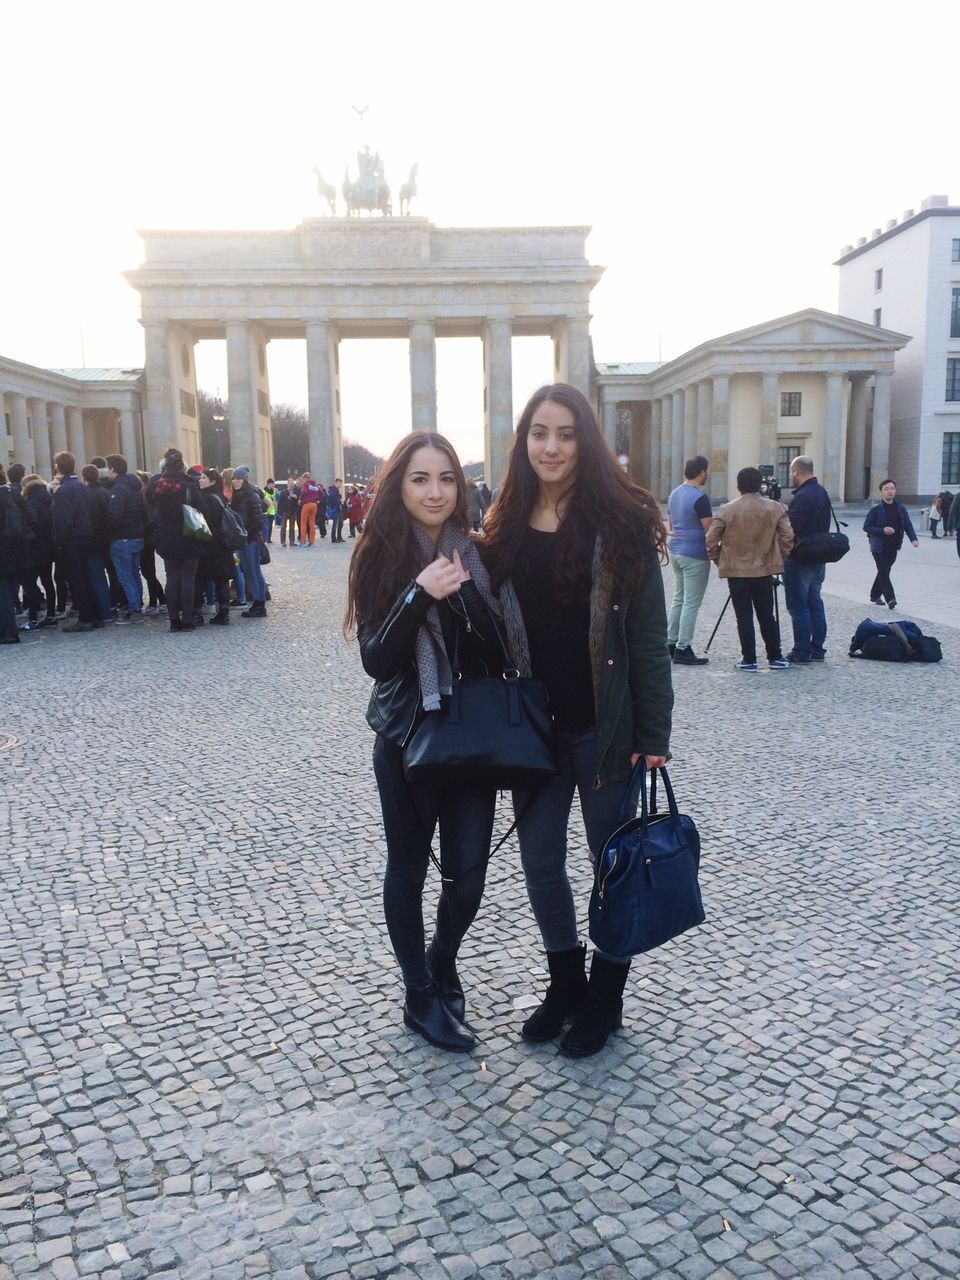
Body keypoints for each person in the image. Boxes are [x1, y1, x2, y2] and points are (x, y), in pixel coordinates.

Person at [480, 383, 673, 1059]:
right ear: (523, 441)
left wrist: (654, 738)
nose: (551, 447)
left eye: (564, 433)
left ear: (583, 441)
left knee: (610, 865)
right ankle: (565, 982)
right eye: (539, 432)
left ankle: (606, 995)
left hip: (604, 728)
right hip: (532, 732)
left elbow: (647, 638)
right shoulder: (501, 525)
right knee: (539, 865)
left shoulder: (619, 526)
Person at [345, 431, 508, 1053]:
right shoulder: (379, 554)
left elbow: (500, 652)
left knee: (468, 878)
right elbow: (377, 660)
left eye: (445, 479)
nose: (435, 491)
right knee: (409, 868)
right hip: (407, 735)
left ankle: (443, 959)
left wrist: (466, 594)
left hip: (470, 736)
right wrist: (420, 592)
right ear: (399, 485)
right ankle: (419, 995)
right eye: (420, 478)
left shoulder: (479, 552)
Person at [706, 467, 795, 671]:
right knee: (767, 614)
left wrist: (719, 559)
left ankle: (749, 659)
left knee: (743, 615)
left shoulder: (727, 510)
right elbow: (788, 536)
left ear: (738, 486)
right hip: (763, 568)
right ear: (759, 485)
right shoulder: (775, 508)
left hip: (736, 570)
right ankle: (775, 656)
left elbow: (711, 539)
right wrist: (779, 555)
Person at [146, 448, 203, 632]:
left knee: (171, 578)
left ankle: (173, 620)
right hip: (188, 536)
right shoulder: (189, 485)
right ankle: (187, 619)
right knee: (187, 578)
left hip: (166, 536)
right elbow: (201, 507)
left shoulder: (155, 484)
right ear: (181, 466)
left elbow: (150, 502)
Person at [782, 455, 831, 664]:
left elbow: (794, 528)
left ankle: (801, 650)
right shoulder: (822, 492)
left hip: (801, 556)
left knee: (798, 606)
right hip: (820, 555)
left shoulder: (802, 497)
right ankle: (817, 648)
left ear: (796, 471)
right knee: (815, 602)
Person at [666, 455, 713, 666]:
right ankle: (684, 648)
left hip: (676, 550)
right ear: (702, 472)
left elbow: (670, 525)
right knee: (691, 603)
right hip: (695, 553)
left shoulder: (674, 494)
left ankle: (671, 641)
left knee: (679, 598)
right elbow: (709, 530)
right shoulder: (699, 498)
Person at [51, 451, 99, 634]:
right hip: (86, 536)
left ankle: (85, 618)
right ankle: (95, 616)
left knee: (76, 580)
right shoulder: (82, 486)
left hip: (71, 539)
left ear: (58, 468)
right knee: (87, 577)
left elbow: (62, 521)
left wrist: (59, 541)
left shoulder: (63, 491)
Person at [863, 479, 918, 610]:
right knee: (883, 571)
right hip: (878, 546)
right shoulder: (875, 510)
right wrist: (882, 530)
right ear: (881, 492)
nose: (890, 491)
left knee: (884, 571)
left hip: (894, 546)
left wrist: (913, 539)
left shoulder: (900, 509)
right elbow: (867, 527)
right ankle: (890, 599)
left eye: (892, 488)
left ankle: (874, 594)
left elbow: (908, 525)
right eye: (886, 489)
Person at [105, 454, 146, 624]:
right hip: (137, 535)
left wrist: (109, 531)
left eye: (107, 468)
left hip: (123, 537)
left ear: (112, 469)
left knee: (125, 575)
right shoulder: (135, 488)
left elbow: (115, 515)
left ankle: (135, 608)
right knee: (134, 572)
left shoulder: (119, 489)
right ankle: (137, 604)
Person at [194, 469, 235, 625]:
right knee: (221, 580)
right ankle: (224, 613)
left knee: (199, 578)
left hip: (209, 544)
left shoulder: (206, 499)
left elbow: (204, 522)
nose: (200, 480)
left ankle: (197, 614)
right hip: (222, 544)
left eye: (204, 478)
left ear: (212, 481)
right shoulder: (220, 497)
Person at [20, 476, 57, 629]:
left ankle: (33, 616)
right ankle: (51, 614)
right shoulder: (50, 501)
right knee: (48, 581)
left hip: (34, 548)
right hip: (49, 547)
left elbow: (31, 523)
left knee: (30, 583)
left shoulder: (30, 504)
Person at [230, 466, 267, 618]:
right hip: (244, 538)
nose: (235, 481)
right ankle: (258, 602)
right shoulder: (238, 495)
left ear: (244, 480)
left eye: (238, 478)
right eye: (234, 478)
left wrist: (246, 534)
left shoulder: (252, 495)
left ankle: (260, 603)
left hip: (251, 539)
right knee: (249, 571)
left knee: (254, 571)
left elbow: (258, 520)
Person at [0, 482, 33, 644]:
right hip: (14, 550)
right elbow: (31, 518)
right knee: (6, 591)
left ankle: (7, 631)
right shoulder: (12, 493)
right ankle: (9, 630)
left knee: (3, 593)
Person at [298, 473, 323, 546]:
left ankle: (303, 541)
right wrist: (316, 499)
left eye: (303, 479)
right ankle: (312, 541)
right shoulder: (316, 485)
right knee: (312, 524)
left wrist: (300, 499)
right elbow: (322, 494)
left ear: (305, 478)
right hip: (314, 505)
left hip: (306, 505)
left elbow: (304, 492)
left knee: (303, 523)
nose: (302, 481)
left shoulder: (306, 484)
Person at [278, 482, 300, 547]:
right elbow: (280, 502)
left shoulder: (295, 493)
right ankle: (283, 542)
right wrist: (280, 512)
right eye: (290, 484)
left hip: (292, 512)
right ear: (287, 485)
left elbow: (297, 503)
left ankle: (292, 542)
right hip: (284, 512)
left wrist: (296, 497)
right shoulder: (283, 492)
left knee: (292, 528)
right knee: (283, 527)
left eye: (293, 485)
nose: (291, 486)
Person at [327, 478, 344, 543]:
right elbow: (333, 498)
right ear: (336, 483)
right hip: (335, 508)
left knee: (340, 523)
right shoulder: (332, 489)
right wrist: (339, 503)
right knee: (335, 524)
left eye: (341, 484)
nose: (340, 485)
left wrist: (339, 495)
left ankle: (339, 537)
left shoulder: (336, 489)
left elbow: (338, 498)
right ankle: (333, 538)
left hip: (338, 508)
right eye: (339, 483)